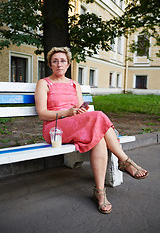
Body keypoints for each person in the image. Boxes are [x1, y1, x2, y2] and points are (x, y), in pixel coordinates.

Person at [35, 47, 148, 214]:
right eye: (55, 61)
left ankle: (100, 193)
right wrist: (67, 113)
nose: (59, 64)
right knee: (99, 117)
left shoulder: (74, 84)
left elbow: (81, 110)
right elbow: (42, 114)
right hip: (55, 128)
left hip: (76, 125)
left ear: (68, 64)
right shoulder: (44, 83)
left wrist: (78, 111)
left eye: (63, 61)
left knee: (100, 139)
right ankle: (125, 161)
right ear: (50, 64)